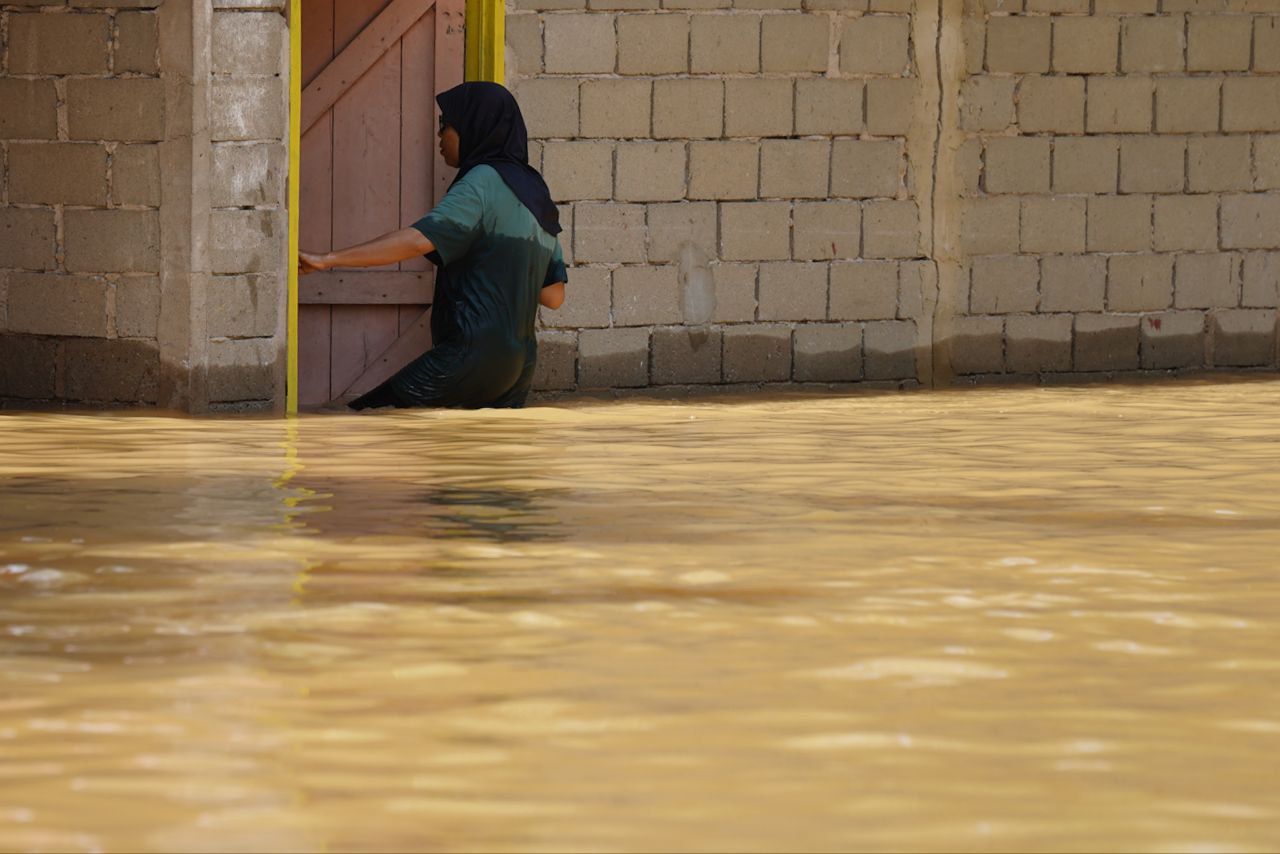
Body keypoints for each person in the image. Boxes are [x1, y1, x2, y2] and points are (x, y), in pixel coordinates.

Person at [298, 81, 567, 410]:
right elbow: (553, 296)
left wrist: (329, 259)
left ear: (474, 125)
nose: (439, 138)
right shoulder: (536, 193)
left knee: (356, 418)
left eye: (445, 126)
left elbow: (417, 240)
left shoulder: (482, 180)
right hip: (520, 365)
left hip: (471, 356)